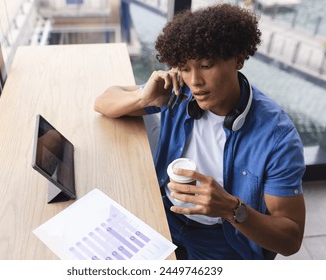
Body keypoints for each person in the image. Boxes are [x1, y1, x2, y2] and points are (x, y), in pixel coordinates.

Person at [94, 3, 306, 260]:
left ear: (238, 59)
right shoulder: (178, 92)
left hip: (224, 237)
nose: (195, 82)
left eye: (206, 65)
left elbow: (291, 239)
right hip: (166, 213)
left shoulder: (278, 137)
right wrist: (143, 99)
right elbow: (103, 101)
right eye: (184, 68)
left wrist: (230, 208)